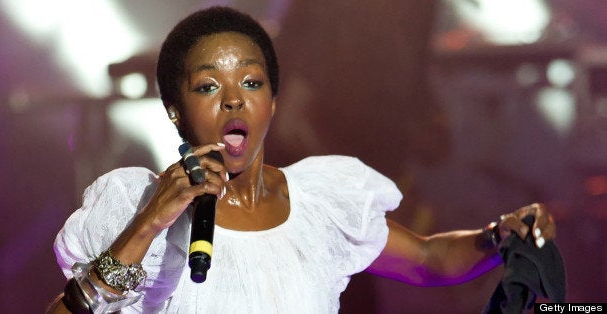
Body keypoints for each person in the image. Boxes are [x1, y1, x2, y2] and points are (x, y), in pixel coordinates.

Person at [46, 6, 556, 314]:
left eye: (251, 82)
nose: (233, 100)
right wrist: (146, 226)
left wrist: (497, 236)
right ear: (175, 111)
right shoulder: (135, 206)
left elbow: (427, 260)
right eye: (207, 86)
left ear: (273, 100)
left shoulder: (319, 202)